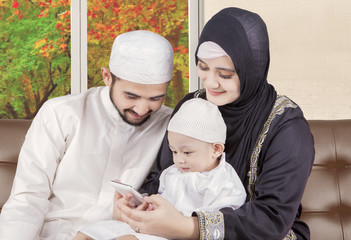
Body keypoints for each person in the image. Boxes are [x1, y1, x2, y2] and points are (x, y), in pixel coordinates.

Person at [114, 7, 315, 240]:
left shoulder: (287, 126)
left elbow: (271, 219)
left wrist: (187, 227)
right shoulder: (193, 104)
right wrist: (138, 206)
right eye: (203, 67)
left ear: (253, 69)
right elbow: (162, 177)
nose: (210, 83)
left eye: (225, 74)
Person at [0, 30, 174, 239]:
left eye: (155, 99)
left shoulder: (171, 125)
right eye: (131, 96)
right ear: (107, 77)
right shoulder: (60, 112)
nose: (142, 109)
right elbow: (28, 197)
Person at [74, 98, 246, 240]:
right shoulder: (171, 173)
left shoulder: (222, 179)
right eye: (174, 151)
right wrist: (141, 204)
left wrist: (181, 221)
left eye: (187, 152)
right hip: (154, 227)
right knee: (91, 231)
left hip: (177, 234)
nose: (179, 159)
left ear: (216, 149)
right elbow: (163, 198)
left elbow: (222, 218)